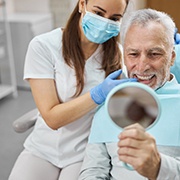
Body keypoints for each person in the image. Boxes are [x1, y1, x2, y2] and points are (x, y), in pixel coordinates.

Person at [8, 0, 137, 180]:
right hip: (42, 149)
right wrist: (98, 94)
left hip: (84, 152)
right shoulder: (44, 46)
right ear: (82, 4)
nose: (105, 22)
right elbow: (52, 118)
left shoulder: (117, 55)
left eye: (114, 18)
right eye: (99, 13)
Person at [79, 8, 180, 180]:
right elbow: (93, 170)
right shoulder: (109, 105)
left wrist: (159, 167)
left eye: (154, 54)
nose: (142, 67)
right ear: (124, 55)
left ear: (171, 57)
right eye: (133, 54)